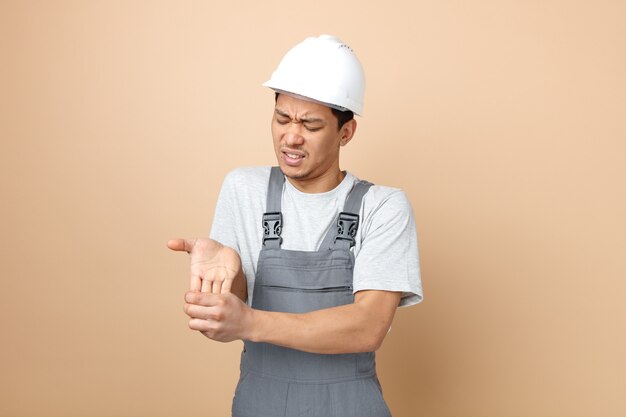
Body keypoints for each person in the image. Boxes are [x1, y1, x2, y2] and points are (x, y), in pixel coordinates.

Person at [168, 34, 422, 417]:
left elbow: (367, 326)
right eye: (282, 118)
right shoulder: (243, 188)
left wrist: (248, 320)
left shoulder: (383, 206)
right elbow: (229, 316)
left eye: (311, 125)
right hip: (259, 405)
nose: (291, 136)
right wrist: (226, 286)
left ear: (345, 132)